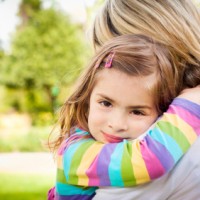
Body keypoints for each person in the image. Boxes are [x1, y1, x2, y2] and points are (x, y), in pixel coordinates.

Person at [48, 34, 200, 200]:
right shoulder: (76, 152)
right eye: (106, 103)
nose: (117, 124)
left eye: (137, 112)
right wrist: (189, 104)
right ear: (87, 99)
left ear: (160, 114)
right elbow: (149, 159)